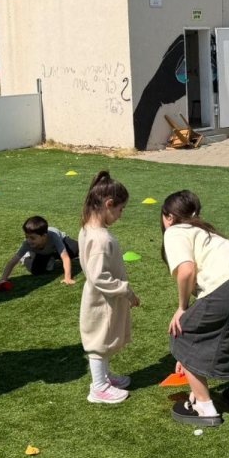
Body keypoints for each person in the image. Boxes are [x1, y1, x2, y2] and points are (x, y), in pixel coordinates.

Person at [161, 190, 229, 427]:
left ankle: (203, 406)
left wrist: (182, 308)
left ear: (169, 217)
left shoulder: (174, 231)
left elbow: (187, 270)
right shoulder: (204, 231)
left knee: (183, 332)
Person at [78, 171, 138, 405]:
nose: (120, 215)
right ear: (108, 204)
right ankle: (99, 387)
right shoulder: (101, 239)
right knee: (99, 342)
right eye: (120, 209)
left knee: (106, 337)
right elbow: (98, 276)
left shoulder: (88, 229)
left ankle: (103, 377)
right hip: (102, 299)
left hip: (104, 298)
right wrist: (126, 290)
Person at [0, 215, 79, 286]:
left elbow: (65, 257)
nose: (29, 240)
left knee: (76, 250)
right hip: (42, 252)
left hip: (57, 246)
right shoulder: (27, 243)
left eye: (32, 238)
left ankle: (53, 256)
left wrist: (67, 278)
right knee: (36, 271)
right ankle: (27, 258)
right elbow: (13, 261)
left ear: (44, 236)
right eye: (26, 237)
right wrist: (3, 280)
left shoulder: (54, 236)